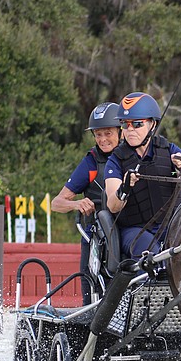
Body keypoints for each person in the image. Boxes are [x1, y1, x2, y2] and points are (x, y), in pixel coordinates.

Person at [104, 91, 181, 261]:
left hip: (173, 225)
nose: (130, 130)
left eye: (137, 124)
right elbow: (112, 205)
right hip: (135, 231)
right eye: (125, 125)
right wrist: (124, 188)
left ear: (152, 125)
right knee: (150, 253)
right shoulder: (115, 160)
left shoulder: (169, 149)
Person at [51, 101, 121, 304]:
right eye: (98, 134)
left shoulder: (131, 156)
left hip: (128, 231)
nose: (102, 139)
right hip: (97, 238)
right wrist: (76, 204)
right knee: (90, 294)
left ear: (120, 131)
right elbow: (57, 203)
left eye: (108, 133)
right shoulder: (91, 162)